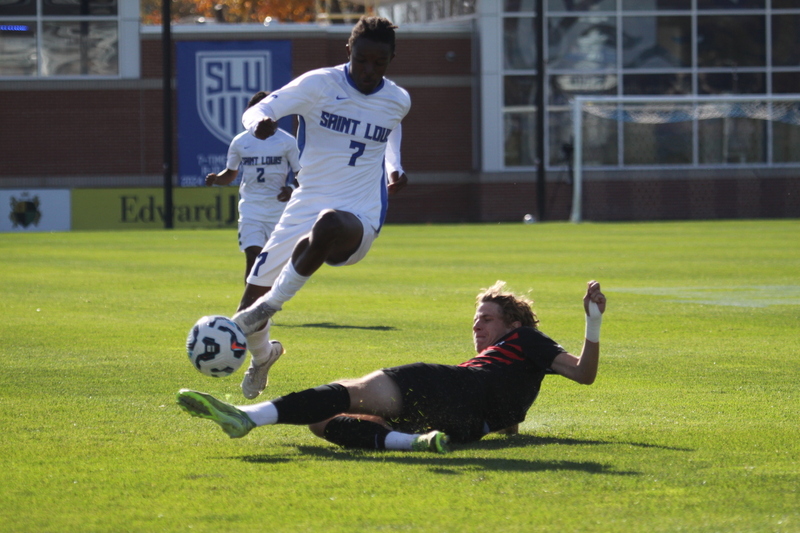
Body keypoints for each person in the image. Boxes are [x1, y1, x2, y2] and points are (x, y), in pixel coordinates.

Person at [177, 280, 607, 454]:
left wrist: (592, 321)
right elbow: (509, 414)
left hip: (447, 387)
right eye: (475, 319)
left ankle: (247, 417)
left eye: (487, 319)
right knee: (323, 422)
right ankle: (414, 443)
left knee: (350, 390)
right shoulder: (508, 368)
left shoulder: (524, 340)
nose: (477, 326)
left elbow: (584, 373)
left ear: (513, 324)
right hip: (464, 427)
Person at [228, 16, 411, 400]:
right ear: (349, 50)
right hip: (304, 204)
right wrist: (260, 121)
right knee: (247, 301)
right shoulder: (318, 84)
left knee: (327, 225)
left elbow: (391, 124)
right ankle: (263, 358)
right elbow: (259, 110)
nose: (369, 70)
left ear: (391, 59)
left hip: (360, 215)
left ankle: (272, 305)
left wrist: (395, 166)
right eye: (362, 60)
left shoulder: (398, 98)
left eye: (379, 63)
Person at [205, 91, 301, 283]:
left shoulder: (287, 141)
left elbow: (302, 174)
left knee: (272, 262)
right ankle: (248, 309)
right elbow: (230, 174)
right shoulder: (241, 141)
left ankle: (266, 306)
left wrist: (290, 188)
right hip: (251, 207)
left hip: (278, 209)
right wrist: (216, 179)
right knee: (253, 254)